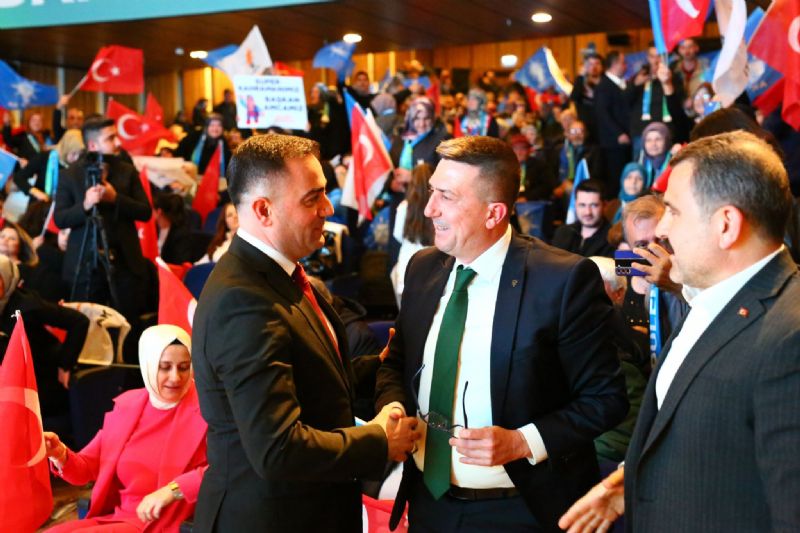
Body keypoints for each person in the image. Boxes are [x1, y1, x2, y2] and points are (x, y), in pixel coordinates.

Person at [375, 136, 627, 532]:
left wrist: (523, 441)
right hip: (428, 501)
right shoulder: (422, 267)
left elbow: (606, 399)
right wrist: (392, 407)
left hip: (520, 510)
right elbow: (396, 362)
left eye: (446, 196)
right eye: (432, 192)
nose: (429, 208)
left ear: (493, 213)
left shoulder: (562, 280)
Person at [559, 130, 800, 532]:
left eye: (673, 211)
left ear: (726, 225)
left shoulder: (790, 337)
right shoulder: (709, 298)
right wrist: (637, 477)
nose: (663, 230)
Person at [191, 133, 420, 532]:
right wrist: (380, 440)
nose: (328, 209)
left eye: (325, 193)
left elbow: (312, 381)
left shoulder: (286, 277)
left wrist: (380, 364)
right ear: (264, 210)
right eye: (313, 198)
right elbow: (278, 449)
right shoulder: (243, 300)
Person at [43, 324, 208, 532]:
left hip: (162, 525)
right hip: (118, 517)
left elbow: (227, 468)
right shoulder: (128, 406)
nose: (176, 377)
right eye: (165, 367)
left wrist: (173, 490)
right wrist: (60, 453)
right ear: (147, 365)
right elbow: (85, 469)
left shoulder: (208, 410)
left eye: (183, 367)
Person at [54, 116, 153, 324]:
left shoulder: (126, 170)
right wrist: (85, 205)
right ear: (92, 145)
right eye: (110, 138)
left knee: (127, 324)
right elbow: (60, 218)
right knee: (87, 326)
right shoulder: (70, 175)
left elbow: (145, 212)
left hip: (125, 263)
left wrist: (116, 198)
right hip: (84, 264)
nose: (118, 142)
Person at [0, 254, 88, 419]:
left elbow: (79, 321)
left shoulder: (28, 306)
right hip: (12, 383)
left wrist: (65, 365)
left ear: (7, 278)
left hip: (43, 378)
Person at [390, 163, 434, 305]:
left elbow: (397, 235)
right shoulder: (439, 207)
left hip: (407, 268)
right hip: (433, 268)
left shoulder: (404, 206)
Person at [594, 51, 632, 198]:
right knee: (616, 179)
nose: (626, 66)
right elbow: (602, 113)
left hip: (623, 140)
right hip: (613, 142)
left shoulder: (621, 84)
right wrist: (619, 133)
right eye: (623, 62)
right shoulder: (604, 85)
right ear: (615, 64)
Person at [14, 128, 84, 205]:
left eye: (79, 154)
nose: (76, 158)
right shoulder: (45, 157)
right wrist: (35, 192)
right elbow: (19, 177)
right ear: (65, 148)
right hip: (39, 206)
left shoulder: (78, 167)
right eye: (73, 153)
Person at [551, 179, 616, 258]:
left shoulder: (616, 238)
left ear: (604, 205)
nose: (588, 212)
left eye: (594, 205)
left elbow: (624, 265)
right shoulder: (562, 232)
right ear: (575, 205)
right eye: (582, 205)